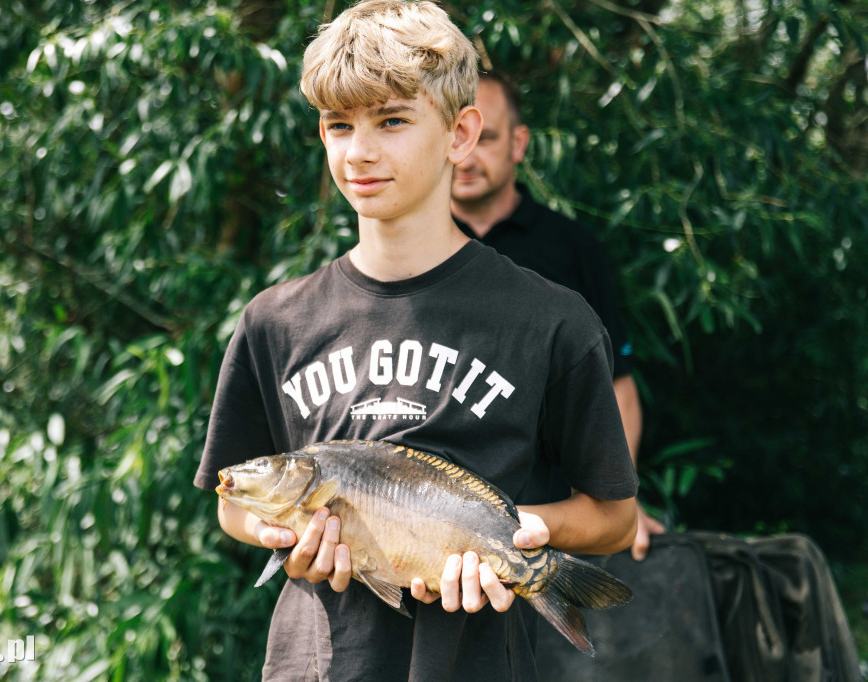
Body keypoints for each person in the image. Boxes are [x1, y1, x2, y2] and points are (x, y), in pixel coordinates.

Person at [193, 2, 638, 679]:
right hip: (317, 664)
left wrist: (515, 535)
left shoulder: (553, 321)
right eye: (338, 125)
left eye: (392, 120)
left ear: (461, 134)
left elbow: (614, 517)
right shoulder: (274, 321)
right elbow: (232, 498)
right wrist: (279, 535)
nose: (360, 151)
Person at [450, 72, 664, 561]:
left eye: (487, 138)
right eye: (459, 137)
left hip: (550, 512)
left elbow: (618, 386)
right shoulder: (411, 250)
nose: (468, 154)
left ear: (519, 143)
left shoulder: (574, 248)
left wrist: (617, 505)